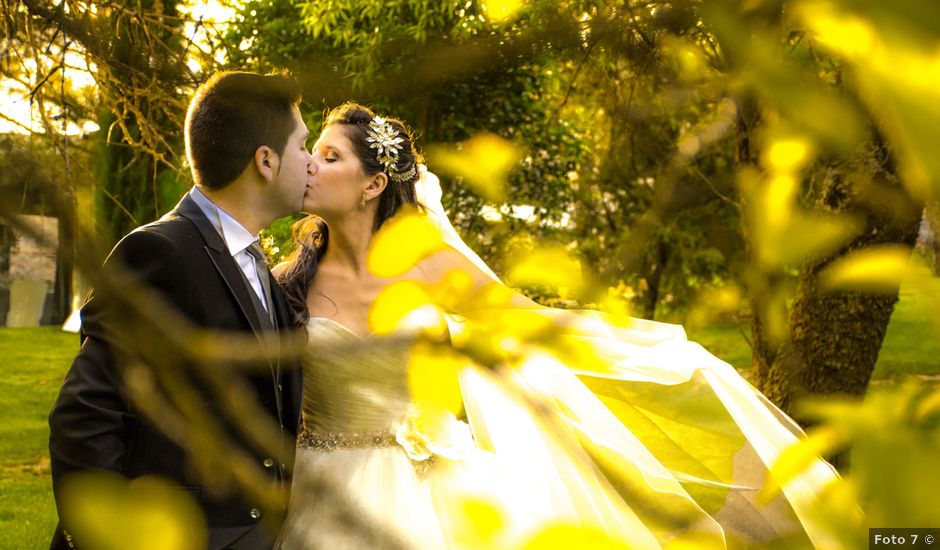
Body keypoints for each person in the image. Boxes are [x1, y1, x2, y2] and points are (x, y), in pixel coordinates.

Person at [274, 103, 841, 549]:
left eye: (328, 157)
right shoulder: (285, 280)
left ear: (373, 185)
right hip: (321, 490)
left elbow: (535, 328)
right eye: (312, 153)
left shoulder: (431, 266)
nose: (309, 166)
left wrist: (659, 359)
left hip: (431, 492)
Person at [48, 71, 312, 550]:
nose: (312, 163)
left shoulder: (257, 262)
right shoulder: (159, 252)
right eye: (303, 146)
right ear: (266, 161)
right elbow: (86, 414)